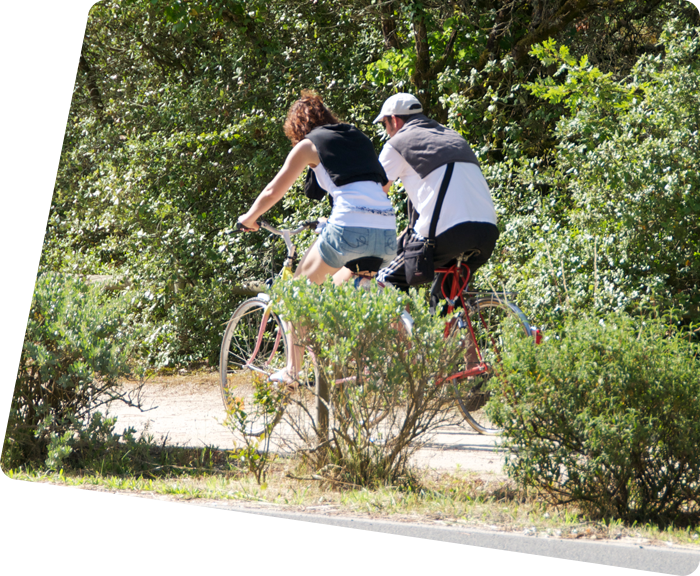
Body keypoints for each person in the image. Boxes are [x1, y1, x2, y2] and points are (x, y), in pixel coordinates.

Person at [238, 91, 397, 383]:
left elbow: (274, 191)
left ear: (297, 128)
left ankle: (293, 371)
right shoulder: (358, 138)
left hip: (349, 226)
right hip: (387, 231)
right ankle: (349, 362)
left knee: (295, 292)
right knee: (340, 287)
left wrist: (248, 219)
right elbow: (381, 184)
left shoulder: (308, 145)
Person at [372, 93, 499, 301]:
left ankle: (402, 334)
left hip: (448, 232)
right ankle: (453, 331)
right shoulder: (452, 136)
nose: (386, 131)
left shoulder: (397, 144)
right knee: (445, 300)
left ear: (394, 120)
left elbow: (374, 194)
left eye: (384, 124)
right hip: (487, 232)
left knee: (385, 277)